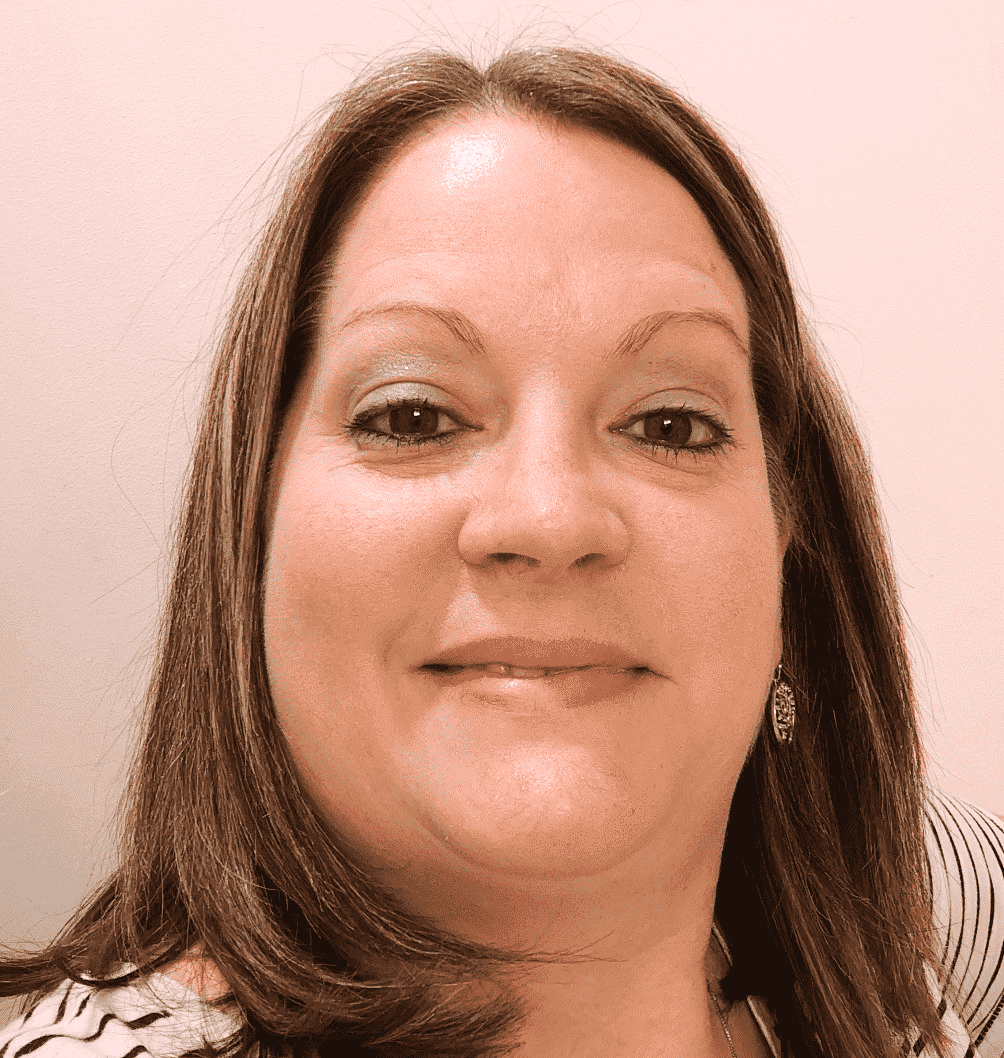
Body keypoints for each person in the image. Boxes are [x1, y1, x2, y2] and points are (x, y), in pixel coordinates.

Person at [1, 43, 1001, 1058]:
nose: (548, 518)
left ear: (787, 546)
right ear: (250, 537)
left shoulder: (903, 910)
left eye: (670, 425)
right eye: (412, 416)